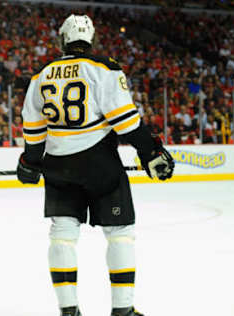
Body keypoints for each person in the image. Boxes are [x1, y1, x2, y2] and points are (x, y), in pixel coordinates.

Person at [16, 15, 174, 316]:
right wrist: (150, 151)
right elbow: (126, 121)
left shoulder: (41, 74)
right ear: (90, 40)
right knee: (120, 232)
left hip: (58, 165)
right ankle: (123, 310)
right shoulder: (104, 68)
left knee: (62, 232)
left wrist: (30, 162)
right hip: (100, 163)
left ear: (62, 39)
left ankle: (69, 310)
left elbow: (34, 128)